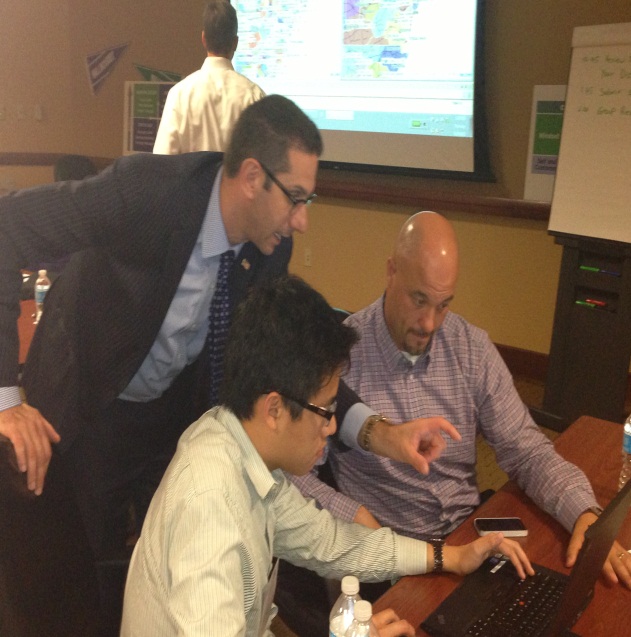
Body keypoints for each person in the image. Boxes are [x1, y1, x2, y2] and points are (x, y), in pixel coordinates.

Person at [120, 274, 533, 637]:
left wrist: (450, 556)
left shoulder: (242, 447)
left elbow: (330, 541)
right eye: (326, 409)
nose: (333, 427)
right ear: (275, 409)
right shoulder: (209, 512)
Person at [280, 211, 631, 632]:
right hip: (397, 559)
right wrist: (351, 512)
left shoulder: (469, 347)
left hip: (474, 539)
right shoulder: (341, 356)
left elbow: (526, 448)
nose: (430, 323)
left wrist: (582, 513)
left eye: (444, 304)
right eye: (419, 299)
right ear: (391, 272)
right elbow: (294, 474)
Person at [153, 0, 265, 155]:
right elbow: (264, 160)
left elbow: (162, 161)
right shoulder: (255, 96)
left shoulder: (179, 95)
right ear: (236, 43)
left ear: (203, 39)